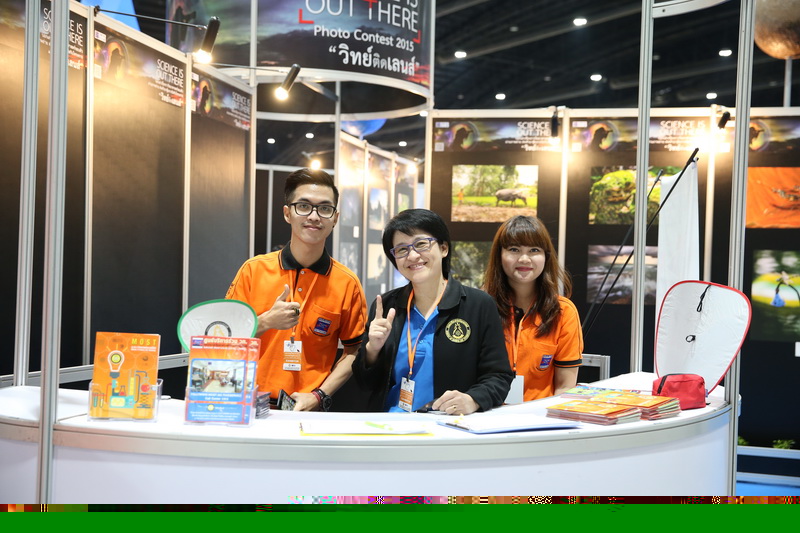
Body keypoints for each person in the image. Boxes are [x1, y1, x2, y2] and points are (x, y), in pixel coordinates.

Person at [226, 168, 367, 411]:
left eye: (324, 208)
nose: (314, 216)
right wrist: (264, 322)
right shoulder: (253, 270)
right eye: (303, 206)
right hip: (247, 405)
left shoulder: (347, 283)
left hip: (308, 410)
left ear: (335, 218)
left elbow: (353, 352)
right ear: (287, 213)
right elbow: (223, 339)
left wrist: (318, 396)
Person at [353, 209, 513, 415]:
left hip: (449, 424)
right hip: (391, 424)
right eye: (401, 249)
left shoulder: (478, 305)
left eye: (421, 244)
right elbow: (364, 383)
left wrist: (473, 400)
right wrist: (372, 350)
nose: (412, 255)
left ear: (444, 248)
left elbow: (499, 376)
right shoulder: (386, 306)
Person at [484, 215, 583, 402]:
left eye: (534, 250)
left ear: (546, 256)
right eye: (514, 249)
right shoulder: (481, 307)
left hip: (539, 416)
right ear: (499, 255)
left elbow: (565, 387)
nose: (524, 259)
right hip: (485, 413)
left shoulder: (563, 312)